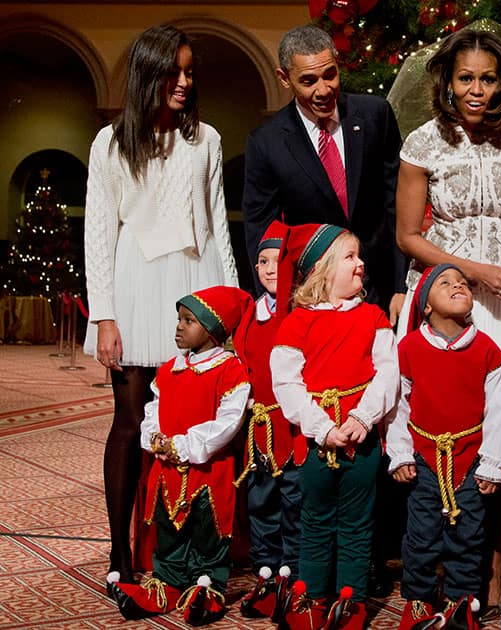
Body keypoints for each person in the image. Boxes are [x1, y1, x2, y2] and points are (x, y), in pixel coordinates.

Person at [394, 28, 501, 612]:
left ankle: (489, 560)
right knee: (443, 418)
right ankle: (435, 553)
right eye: (466, 78)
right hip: (449, 291)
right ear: (447, 81)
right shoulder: (423, 143)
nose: (476, 90)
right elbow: (408, 236)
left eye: (488, 78)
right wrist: (472, 269)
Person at [83, 24, 239, 587]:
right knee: (129, 423)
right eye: (173, 70)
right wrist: (104, 315)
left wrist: (231, 307)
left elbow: (219, 225)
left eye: (190, 70)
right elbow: (99, 234)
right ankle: (119, 554)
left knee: (193, 420)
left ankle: (184, 550)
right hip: (133, 285)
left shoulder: (209, 139)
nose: (183, 81)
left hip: (196, 285)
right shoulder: (110, 142)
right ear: (147, 74)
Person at [270, 224, 399, 630]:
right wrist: (322, 427)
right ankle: (311, 597)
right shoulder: (296, 323)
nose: (361, 263)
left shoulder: (373, 317)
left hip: (361, 438)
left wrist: (363, 417)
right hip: (315, 439)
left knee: (358, 521)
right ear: (322, 270)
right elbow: (287, 383)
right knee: (315, 518)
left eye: (359, 256)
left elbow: (387, 373)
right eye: (349, 257)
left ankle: (352, 600)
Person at [106, 286, 252, 626]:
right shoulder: (168, 369)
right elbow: (152, 410)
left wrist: (186, 445)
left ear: (213, 329)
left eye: (189, 321)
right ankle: (168, 582)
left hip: (208, 473)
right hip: (167, 471)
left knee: (207, 533)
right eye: (178, 319)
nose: (178, 327)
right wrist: (153, 437)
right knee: (168, 530)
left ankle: (207, 585)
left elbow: (228, 421)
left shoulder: (229, 369)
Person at [242, 24, 407, 322]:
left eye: (330, 74)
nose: (323, 89)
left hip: (382, 288)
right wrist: (272, 304)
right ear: (284, 79)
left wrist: (402, 285)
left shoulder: (374, 115)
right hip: (311, 294)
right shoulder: (266, 142)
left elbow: (396, 204)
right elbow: (260, 229)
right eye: (308, 80)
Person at [386, 264, 501, 629]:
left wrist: (492, 463)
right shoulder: (407, 348)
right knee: (421, 536)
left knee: (468, 536)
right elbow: (398, 405)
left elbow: (498, 411)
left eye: (462, 283)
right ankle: (420, 600)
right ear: (425, 306)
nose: (457, 285)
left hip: (470, 459)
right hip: (424, 458)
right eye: (445, 283)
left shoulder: (488, 351)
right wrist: (401, 453)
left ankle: (462, 603)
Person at [231, 220, 303, 620]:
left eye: (278, 260)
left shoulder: (300, 311)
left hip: (291, 431)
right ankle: (266, 574)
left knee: (295, 502)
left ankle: (293, 576)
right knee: (261, 502)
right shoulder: (248, 314)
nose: (270, 268)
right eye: (262, 261)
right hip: (260, 430)